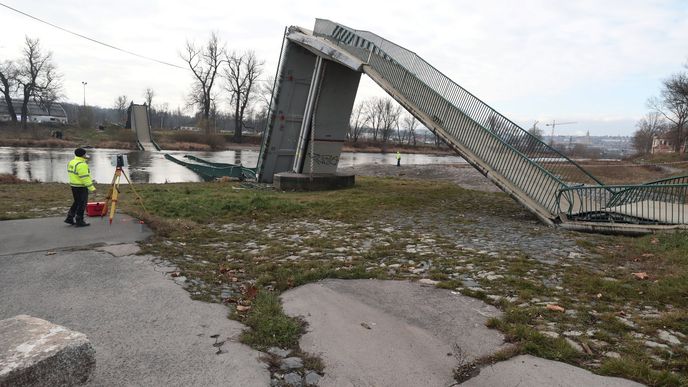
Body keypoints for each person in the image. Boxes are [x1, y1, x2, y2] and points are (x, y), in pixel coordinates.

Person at [65, 148, 96, 227]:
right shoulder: (82, 165)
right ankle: (79, 220)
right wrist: (92, 188)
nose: (86, 155)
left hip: (73, 185)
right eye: (85, 154)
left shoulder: (71, 162)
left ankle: (70, 217)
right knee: (82, 204)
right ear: (83, 155)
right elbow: (85, 178)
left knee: (76, 202)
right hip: (81, 187)